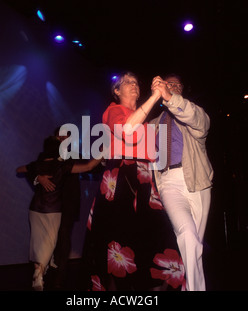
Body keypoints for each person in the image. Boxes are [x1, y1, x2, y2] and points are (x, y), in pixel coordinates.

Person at [82, 71, 185, 291]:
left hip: (145, 177)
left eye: (137, 82)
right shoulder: (113, 110)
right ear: (116, 91)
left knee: (159, 234)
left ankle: (151, 286)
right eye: (127, 82)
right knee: (119, 239)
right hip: (121, 178)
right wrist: (155, 96)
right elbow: (127, 130)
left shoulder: (146, 120)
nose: (134, 85)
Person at [150, 74, 214, 291]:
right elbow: (129, 136)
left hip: (197, 183)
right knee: (187, 235)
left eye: (177, 85)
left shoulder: (191, 114)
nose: (172, 87)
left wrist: (169, 96)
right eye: (168, 84)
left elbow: (201, 122)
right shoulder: (155, 124)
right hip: (169, 183)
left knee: (194, 245)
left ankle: (189, 287)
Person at [16, 135, 101, 291]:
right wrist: (104, 151)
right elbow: (89, 167)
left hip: (36, 209)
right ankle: (40, 271)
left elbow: (19, 169)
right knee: (49, 243)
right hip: (53, 210)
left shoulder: (39, 163)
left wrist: (37, 175)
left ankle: (41, 271)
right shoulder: (61, 165)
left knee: (40, 242)